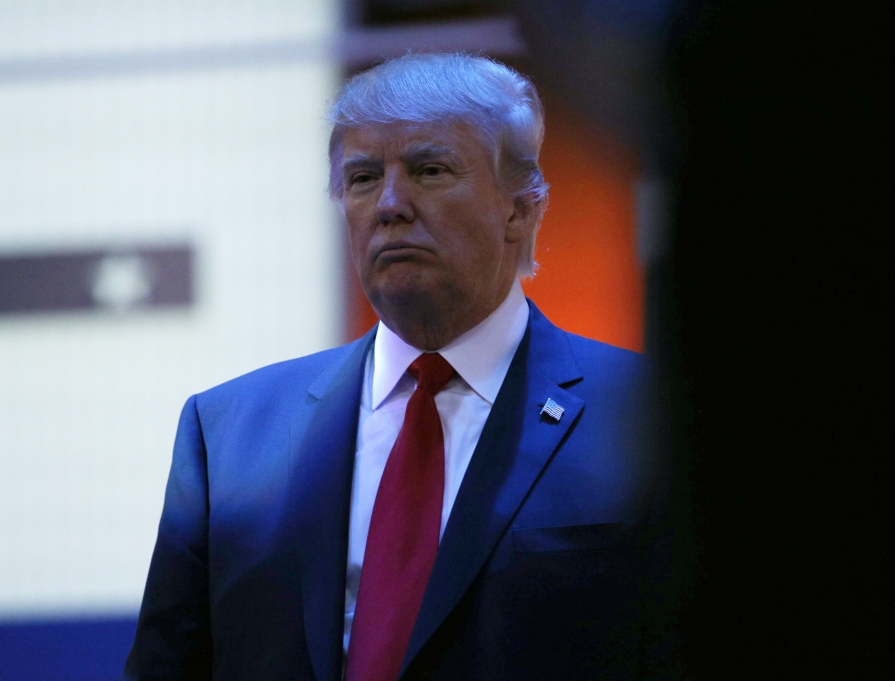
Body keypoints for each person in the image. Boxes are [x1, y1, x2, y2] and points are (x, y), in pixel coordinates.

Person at [124, 53, 668, 681]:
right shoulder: (228, 434)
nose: (388, 204)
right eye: (360, 179)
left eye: (429, 170)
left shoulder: (648, 417)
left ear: (520, 209)